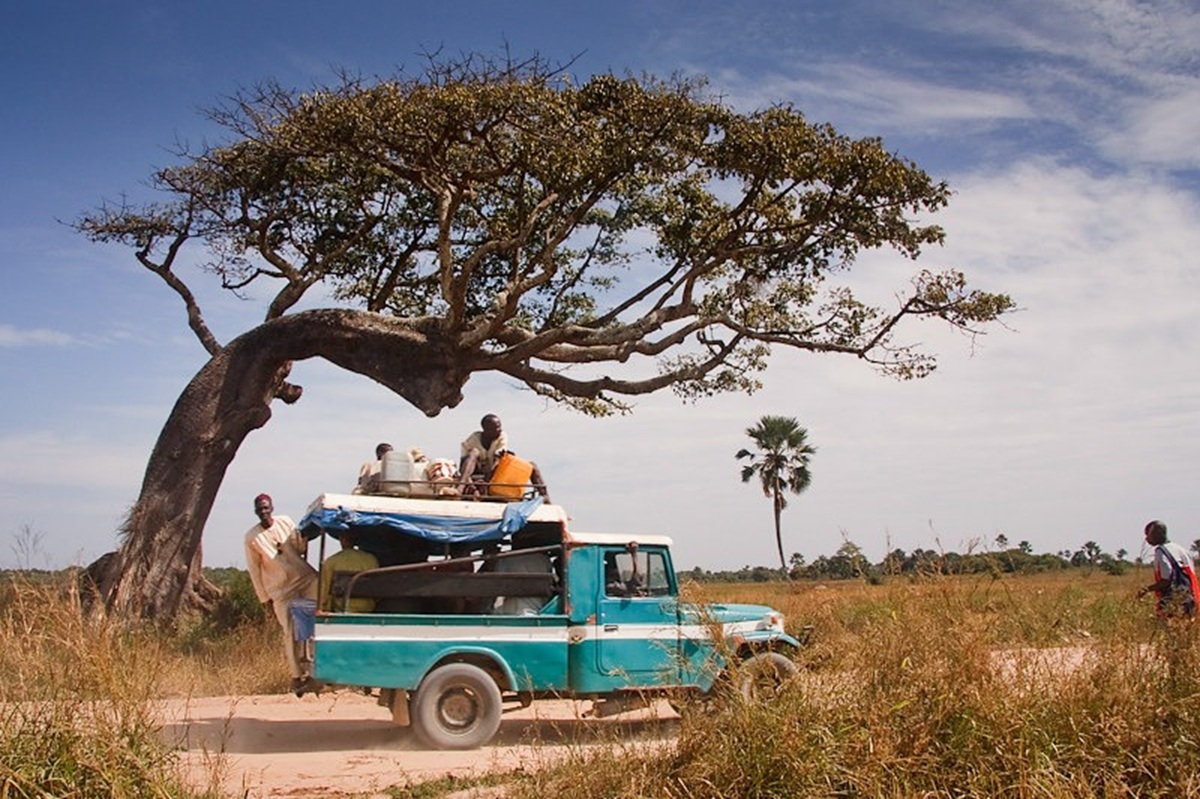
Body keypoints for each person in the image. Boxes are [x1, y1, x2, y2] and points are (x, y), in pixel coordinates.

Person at [244, 493, 317, 695]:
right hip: (281, 589)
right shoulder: (252, 537)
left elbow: (299, 547)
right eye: (260, 509)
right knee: (290, 630)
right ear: (256, 512)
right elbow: (254, 569)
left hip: (303, 577)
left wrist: (306, 536)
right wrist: (264, 598)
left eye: (266, 508)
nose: (263, 512)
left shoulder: (285, 522)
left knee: (320, 615)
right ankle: (296, 676)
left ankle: (315, 668)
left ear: (272, 508)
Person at [459, 414, 551, 500]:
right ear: (486, 430)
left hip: (494, 472)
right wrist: (471, 485)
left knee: (532, 465)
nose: (499, 430)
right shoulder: (472, 440)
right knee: (473, 452)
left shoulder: (502, 436)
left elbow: (499, 455)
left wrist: (487, 483)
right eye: (496, 428)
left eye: (500, 426)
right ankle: (460, 487)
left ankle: (546, 499)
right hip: (475, 472)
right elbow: (463, 465)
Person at [1138, 519, 1200, 619]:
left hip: (1175, 601)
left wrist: (1145, 590)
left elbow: (1166, 580)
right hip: (1192, 598)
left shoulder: (1161, 551)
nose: (1146, 539)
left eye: (1148, 534)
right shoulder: (1182, 549)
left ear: (1157, 534)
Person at [319, 532, 380, 613]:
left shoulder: (331, 561)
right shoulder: (371, 559)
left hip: (342, 608)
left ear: (341, 540)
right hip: (367, 608)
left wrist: (323, 609)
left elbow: (324, 591)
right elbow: (377, 588)